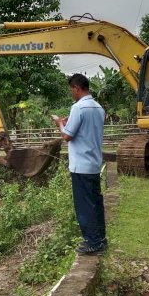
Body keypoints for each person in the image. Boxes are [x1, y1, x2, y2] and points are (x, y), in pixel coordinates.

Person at [53, 73, 106, 256]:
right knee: (96, 202)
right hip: (94, 163)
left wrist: (60, 123)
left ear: (76, 88)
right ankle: (101, 238)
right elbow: (85, 130)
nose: (71, 93)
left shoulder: (78, 108)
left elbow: (67, 136)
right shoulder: (98, 107)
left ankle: (92, 242)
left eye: (71, 90)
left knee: (84, 206)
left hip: (80, 165)